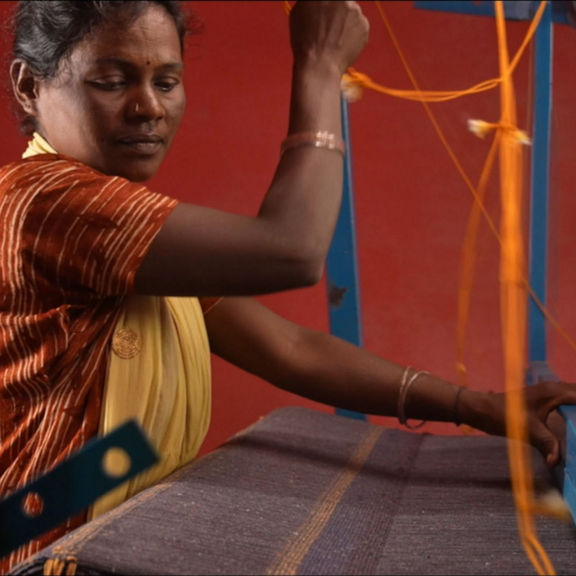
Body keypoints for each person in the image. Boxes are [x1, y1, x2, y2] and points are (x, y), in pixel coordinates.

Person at [1, 0, 575, 573]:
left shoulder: (122, 237)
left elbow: (288, 348)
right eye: (111, 81)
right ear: (28, 87)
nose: (149, 106)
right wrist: (321, 64)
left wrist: (477, 406)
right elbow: (293, 251)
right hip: (50, 548)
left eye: (167, 81)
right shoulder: (45, 206)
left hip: (106, 524)